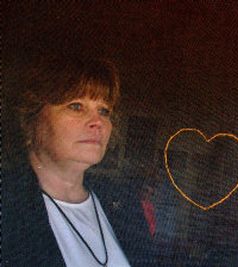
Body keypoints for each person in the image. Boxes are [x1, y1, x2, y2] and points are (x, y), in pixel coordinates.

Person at [3, 54, 155, 266]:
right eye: (76, 106)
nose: (98, 122)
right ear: (31, 119)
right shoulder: (8, 205)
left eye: (104, 111)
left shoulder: (124, 203)